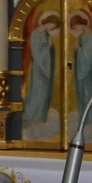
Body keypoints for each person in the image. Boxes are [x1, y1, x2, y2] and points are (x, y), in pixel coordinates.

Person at [22, 10, 60, 139]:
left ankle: (41, 119)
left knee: (45, 95)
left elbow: (50, 52)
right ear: (49, 22)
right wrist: (47, 48)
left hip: (46, 69)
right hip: (39, 70)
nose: (53, 29)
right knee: (38, 94)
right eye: (53, 26)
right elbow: (37, 53)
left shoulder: (46, 34)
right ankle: (34, 119)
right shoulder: (36, 34)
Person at [70, 10, 92, 142]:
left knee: (89, 95)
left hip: (88, 74)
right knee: (82, 96)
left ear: (80, 24)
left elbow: (89, 54)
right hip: (81, 72)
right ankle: (84, 121)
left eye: (75, 27)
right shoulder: (83, 35)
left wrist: (78, 49)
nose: (76, 30)